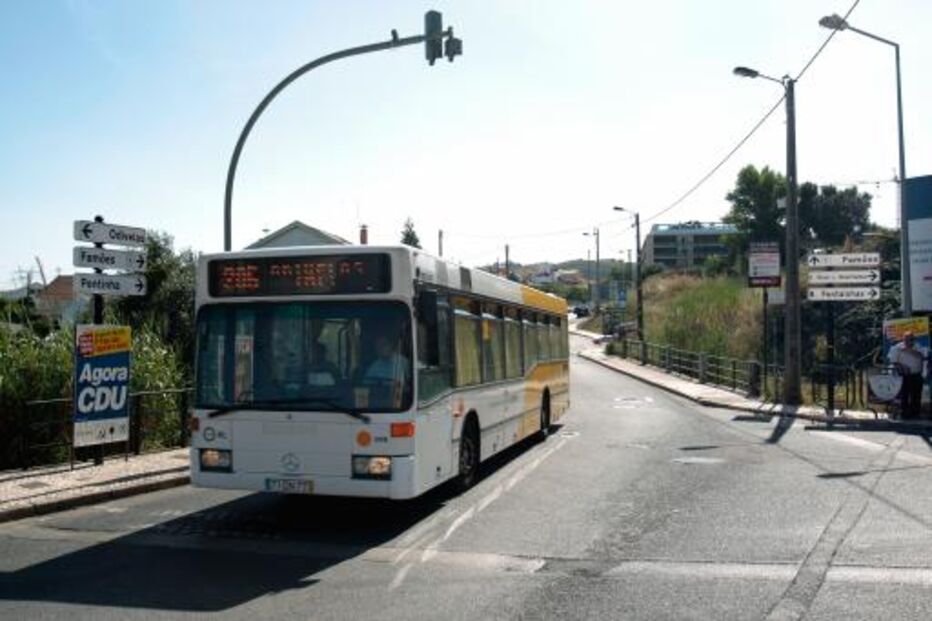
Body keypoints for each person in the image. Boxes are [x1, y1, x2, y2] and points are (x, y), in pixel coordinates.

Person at [887, 330, 927, 419]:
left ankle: (915, 414)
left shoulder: (919, 347)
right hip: (902, 375)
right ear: (903, 339)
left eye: (911, 339)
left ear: (914, 340)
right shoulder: (897, 348)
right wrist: (901, 367)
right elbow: (893, 361)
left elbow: (923, 357)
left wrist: (910, 350)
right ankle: (904, 413)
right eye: (907, 339)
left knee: (916, 396)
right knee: (904, 395)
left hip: (916, 374)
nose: (909, 341)